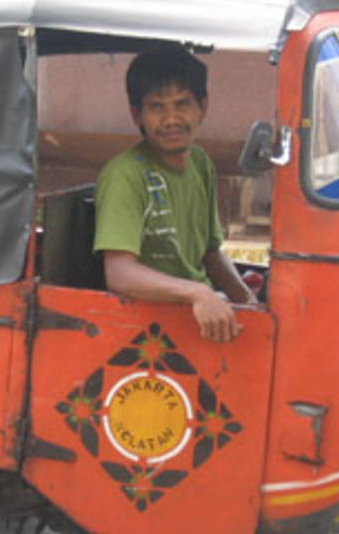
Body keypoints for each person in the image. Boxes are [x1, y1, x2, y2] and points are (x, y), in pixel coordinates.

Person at [94, 48, 256, 343]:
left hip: (202, 312)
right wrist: (197, 293)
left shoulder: (200, 162)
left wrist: (248, 301)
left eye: (182, 104)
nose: (171, 119)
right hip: (151, 327)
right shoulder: (125, 176)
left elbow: (210, 252)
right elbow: (119, 273)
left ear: (202, 107)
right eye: (156, 107)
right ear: (136, 115)